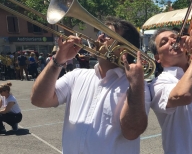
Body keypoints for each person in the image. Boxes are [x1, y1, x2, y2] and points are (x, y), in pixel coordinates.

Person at [31, 16, 150, 154]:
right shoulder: (76, 75)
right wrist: (58, 60)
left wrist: (136, 86)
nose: (100, 38)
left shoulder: (138, 87)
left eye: (107, 36)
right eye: (101, 33)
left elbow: (131, 132)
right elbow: (38, 100)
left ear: (124, 49)